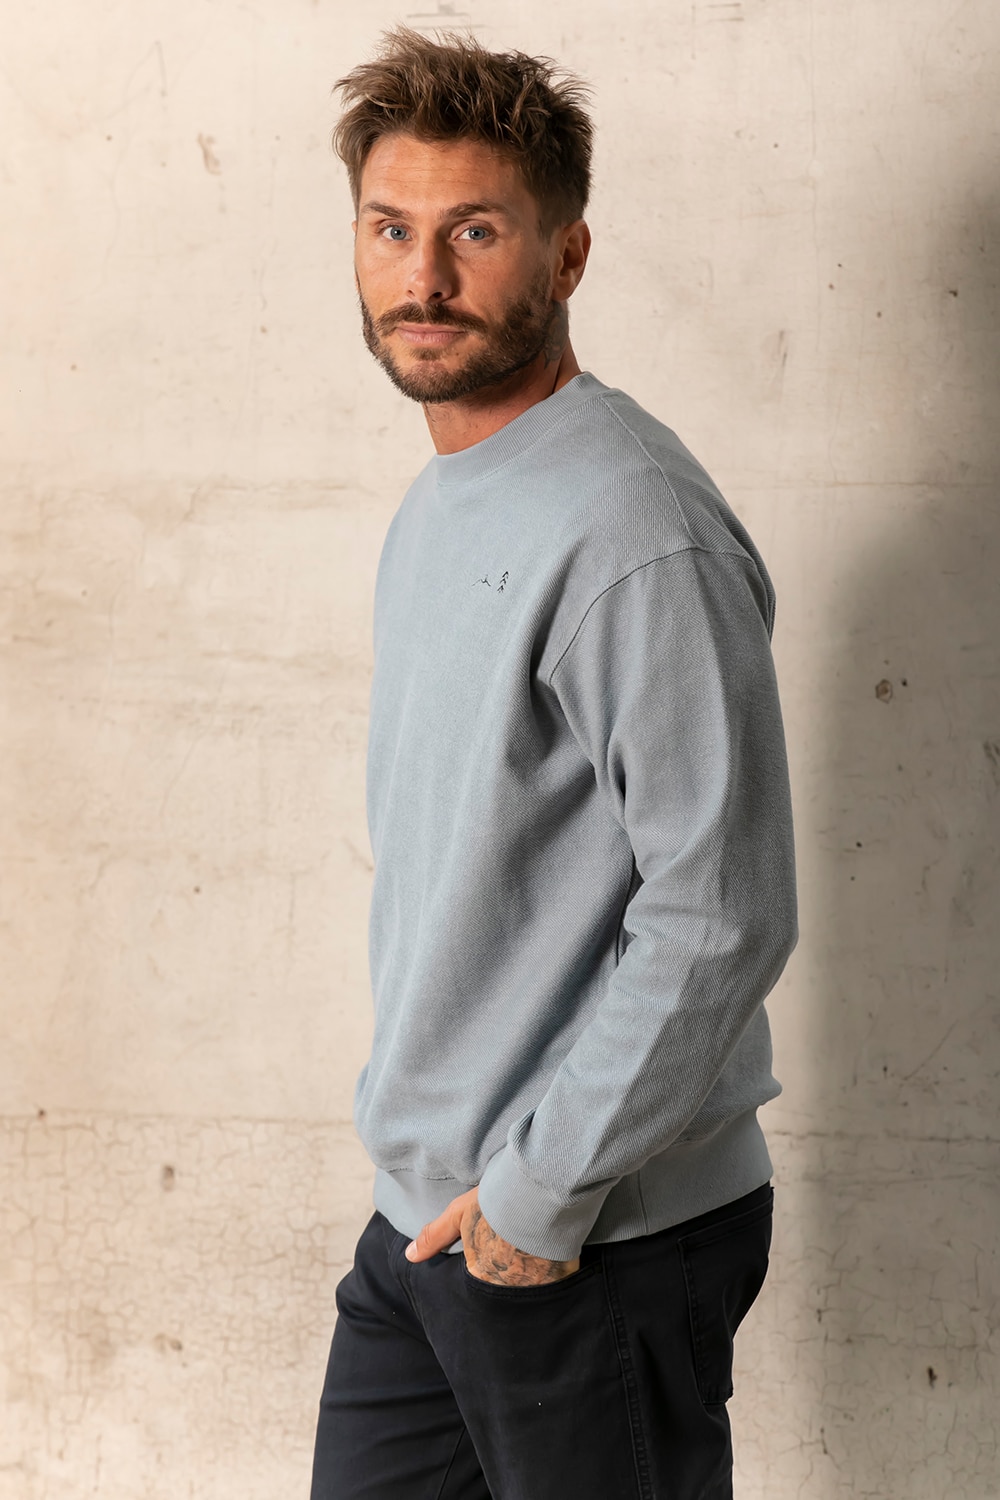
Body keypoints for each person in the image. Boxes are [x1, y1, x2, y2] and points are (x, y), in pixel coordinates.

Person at [311, 26, 797, 1500]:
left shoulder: (635, 530)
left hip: (588, 1238)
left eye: (474, 232)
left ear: (567, 254)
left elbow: (723, 911)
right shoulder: (449, 497)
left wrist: (540, 1193)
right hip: (430, 1225)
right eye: (391, 229)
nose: (423, 279)